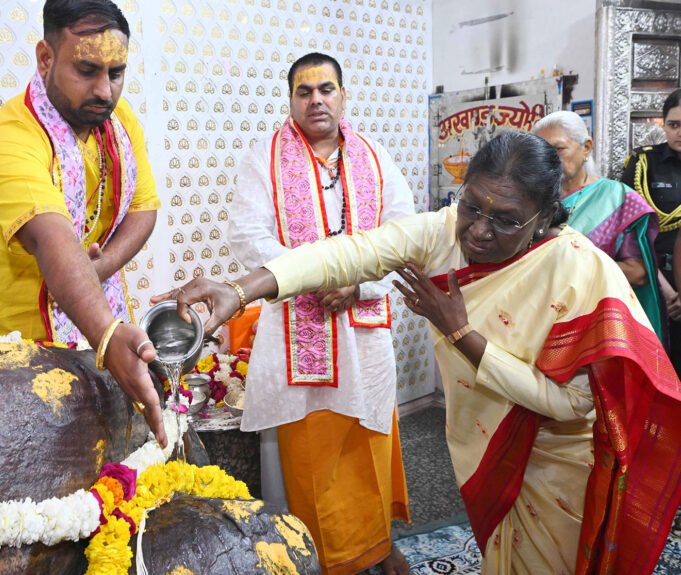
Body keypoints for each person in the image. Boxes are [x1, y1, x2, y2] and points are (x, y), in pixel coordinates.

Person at [156, 131, 681, 574]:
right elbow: (352, 253)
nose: (478, 230)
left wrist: (462, 334)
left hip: (558, 460)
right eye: (472, 206)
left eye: (504, 220)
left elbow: (572, 404)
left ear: (544, 217)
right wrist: (242, 290)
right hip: (483, 439)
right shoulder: (443, 232)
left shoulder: (580, 270)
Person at [0, 0, 166, 446]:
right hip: (3, 340)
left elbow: (144, 207)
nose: (104, 90)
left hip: (86, 311)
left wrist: (99, 267)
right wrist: (109, 333)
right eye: (87, 69)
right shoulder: (9, 135)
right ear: (46, 58)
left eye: (115, 73)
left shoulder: (118, 120)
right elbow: (51, 236)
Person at [225, 52, 413, 575]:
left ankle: (375, 544)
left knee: (367, 442)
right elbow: (246, 234)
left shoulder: (374, 157)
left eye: (325, 89)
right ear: (290, 100)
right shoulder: (264, 157)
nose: (316, 100)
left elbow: (404, 234)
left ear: (343, 95)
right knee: (307, 454)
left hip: (364, 333)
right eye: (304, 91)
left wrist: (359, 282)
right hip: (297, 334)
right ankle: (312, 557)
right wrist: (320, 274)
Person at [534, 111, 664, 341]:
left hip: (596, 326)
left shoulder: (618, 198)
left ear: (586, 147)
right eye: (542, 152)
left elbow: (638, 273)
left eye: (558, 149)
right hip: (538, 320)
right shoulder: (533, 201)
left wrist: (568, 268)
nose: (549, 159)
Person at [622, 89, 681, 372]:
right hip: (652, 280)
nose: (680, 132)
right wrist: (666, 290)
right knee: (654, 367)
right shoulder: (644, 164)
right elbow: (631, 231)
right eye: (674, 125)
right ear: (663, 125)